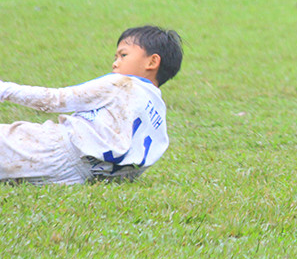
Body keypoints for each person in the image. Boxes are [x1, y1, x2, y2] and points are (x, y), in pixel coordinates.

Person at [0, 25, 182, 184]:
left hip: (55, 149)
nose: (115, 63)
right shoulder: (158, 112)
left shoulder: (121, 83)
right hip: (79, 177)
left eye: (123, 55)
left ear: (152, 61)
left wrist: (5, 89)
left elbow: (55, 100)